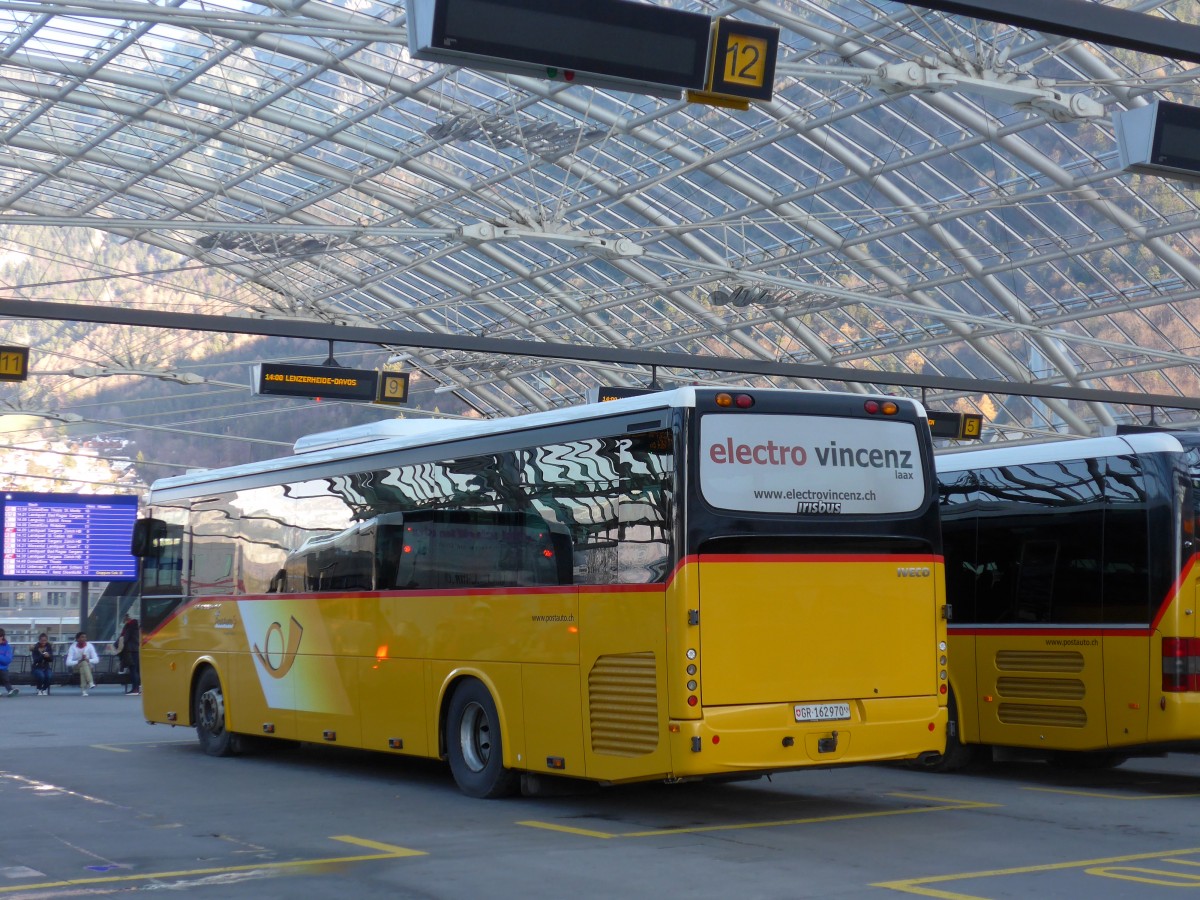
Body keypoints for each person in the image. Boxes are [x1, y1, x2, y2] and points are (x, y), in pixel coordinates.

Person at [66, 632, 99, 696]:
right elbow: (68, 662)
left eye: (85, 637)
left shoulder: (89, 646)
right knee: (83, 663)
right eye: (82, 637)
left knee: (83, 665)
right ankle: (90, 683)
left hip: (88, 667)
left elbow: (96, 660)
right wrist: (78, 661)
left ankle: (84, 690)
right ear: (77, 639)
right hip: (76, 667)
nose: (84, 639)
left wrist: (88, 660)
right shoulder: (73, 647)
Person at [117, 614, 141, 695]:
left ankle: (135, 689)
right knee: (136, 670)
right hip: (136, 650)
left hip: (130, 650)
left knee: (133, 670)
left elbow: (124, 638)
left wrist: (117, 644)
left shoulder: (129, 626)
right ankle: (136, 688)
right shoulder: (136, 627)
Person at [0, 628, 18, 697]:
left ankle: (10, 690)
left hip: (3, 668)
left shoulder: (7, 647)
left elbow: (8, 660)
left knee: (4, 677)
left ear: (2, 637)